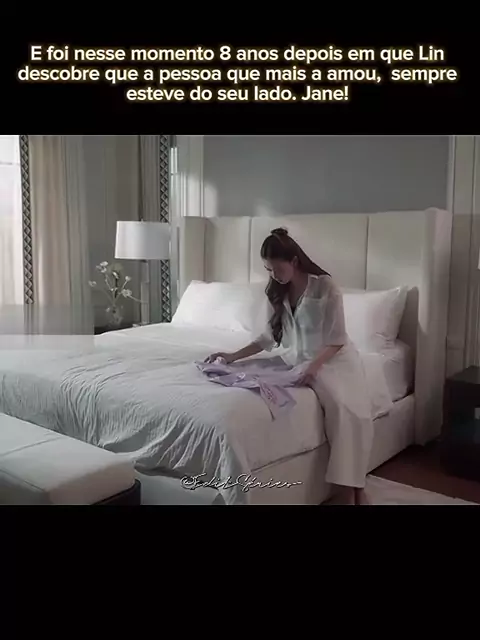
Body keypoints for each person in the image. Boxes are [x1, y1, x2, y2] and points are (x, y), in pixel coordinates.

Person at [206, 227, 374, 505]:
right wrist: (233, 356)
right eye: (268, 270)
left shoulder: (325, 287)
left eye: (277, 268)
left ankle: (352, 489)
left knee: (344, 411)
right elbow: (267, 337)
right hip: (299, 360)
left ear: (294, 261)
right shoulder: (278, 292)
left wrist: (314, 367)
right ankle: (354, 491)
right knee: (249, 375)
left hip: (334, 361)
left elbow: (337, 339)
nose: (274, 275)